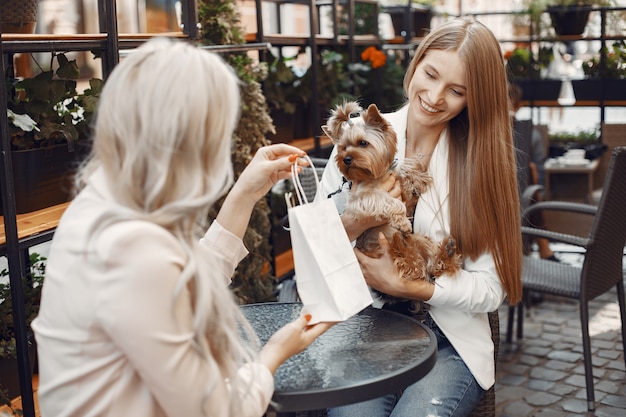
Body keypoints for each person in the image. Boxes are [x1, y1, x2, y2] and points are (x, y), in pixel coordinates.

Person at [31, 37, 333, 417]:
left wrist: (243, 195)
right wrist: (272, 355)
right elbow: (215, 410)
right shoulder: (133, 246)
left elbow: (177, 285)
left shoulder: (101, 204)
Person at [319, 18, 522, 417]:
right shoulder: (359, 139)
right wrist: (356, 223)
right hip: (365, 330)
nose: (433, 96)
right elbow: (317, 253)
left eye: (457, 91)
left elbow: (491, 289)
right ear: (416, 63)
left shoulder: (482, 165)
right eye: (430, 74)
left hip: (447, 337)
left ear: (474, 99)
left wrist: (414, 289)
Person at [509, 83, 560, 262]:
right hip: (517, 193)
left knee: (529, 178)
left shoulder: (529, 133)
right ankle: (543, 245)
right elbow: (538, 169)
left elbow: (537, 169)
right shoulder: (531, 133)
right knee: (530, 179)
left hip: (522, 192)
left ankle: (539, 247)